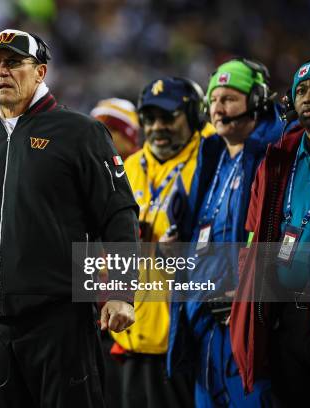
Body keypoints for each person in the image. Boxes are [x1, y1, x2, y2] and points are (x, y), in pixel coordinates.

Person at [0, 29, 139, 408]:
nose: (1, 71)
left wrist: (119, 292)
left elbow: (118, 215)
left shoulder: (80, 133)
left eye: (13, 62)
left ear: (40, 72)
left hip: (61, 323)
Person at [167, 58, 284, 407]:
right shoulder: (212, 154)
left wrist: (250, 291)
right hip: (204, 325)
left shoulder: (274, 156)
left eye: (229, 98)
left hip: (248, 328)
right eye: (214, 99)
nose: (217, 108)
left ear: (258, 100)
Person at [109, 77, 211, 408]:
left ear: (195, 116)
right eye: (150, 119)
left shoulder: (213, 160)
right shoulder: (131, 167)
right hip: (132, 340)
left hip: (186, 345)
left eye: (169, 118)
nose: (157, 127)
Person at [230, 56, 310, 406]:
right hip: (282, 316)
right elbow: (253, 233)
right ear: (291, 100)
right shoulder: (277, 158)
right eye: (302, 90)